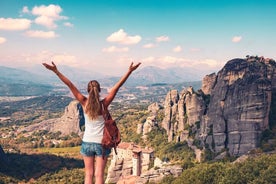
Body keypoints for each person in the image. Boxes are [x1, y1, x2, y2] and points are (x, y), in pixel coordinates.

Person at [42, 61, 141, 184]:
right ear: (99, 90)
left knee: (88, 175)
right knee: (99, 175)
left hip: (87, 142)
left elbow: (70, 84)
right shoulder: (104, 104)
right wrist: (129, 71)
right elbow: (117, 87)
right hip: (101, 144)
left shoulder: (84, 102)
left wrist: (56, 71)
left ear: (88, 90)